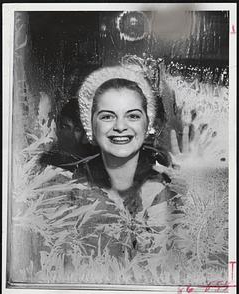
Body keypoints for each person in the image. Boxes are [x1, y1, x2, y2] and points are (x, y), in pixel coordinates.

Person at [73, 65, 189, 261]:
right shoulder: (70, 191)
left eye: (133, 116)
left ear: (147, 125)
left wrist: (189, 196)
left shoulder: (167, 190)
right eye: (108, 116)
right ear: (91, 125)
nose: (120, 126)